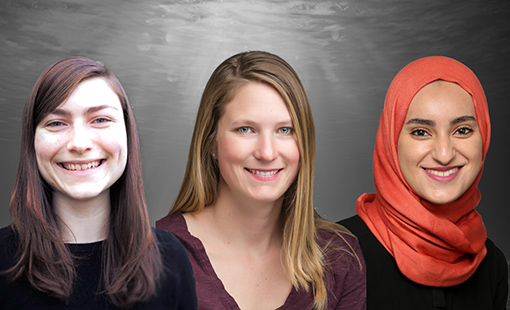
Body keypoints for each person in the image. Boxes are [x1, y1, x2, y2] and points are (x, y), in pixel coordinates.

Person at [157, 51, 366, 310]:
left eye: (285, 130)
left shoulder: (339, 257)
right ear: (210, 141)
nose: (267, 153)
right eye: (245, 129)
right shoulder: (155, 255)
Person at [0, 56, 197, 309]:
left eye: (101, 119)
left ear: (128, 134)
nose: (79, 143)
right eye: (56, 123)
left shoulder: (171, 258)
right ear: (32, 141)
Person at [338, 56, 508, 309]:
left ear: (484, 135)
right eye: (420, 132)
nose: (443, 154)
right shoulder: (335, 253)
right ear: (391, 141)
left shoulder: (492, 264)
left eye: (462, 130)